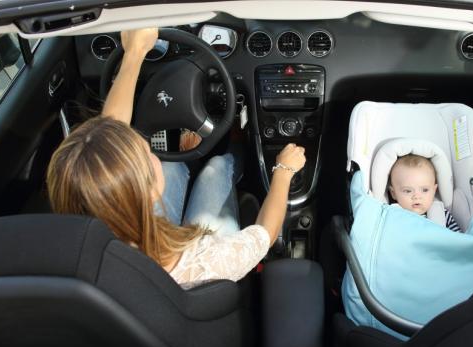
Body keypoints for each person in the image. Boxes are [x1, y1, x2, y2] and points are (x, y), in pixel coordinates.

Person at [46, 28, 306, 289]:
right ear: (146, 191)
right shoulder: (206, 260)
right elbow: (265, 235)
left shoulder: (79, 245)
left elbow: (111, 134)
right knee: (215, 168)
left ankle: (195, 155)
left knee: (172, 164)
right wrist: (284, 171)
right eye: (146, 153)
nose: (150, 150)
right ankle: (234, 142)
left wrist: (135, 53)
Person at [388, 154, 460, 231]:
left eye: (425, 190)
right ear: (393, 193)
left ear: (434, 191)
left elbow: (459, 240)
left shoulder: (442, 215)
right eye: (408, 191)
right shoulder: (391, 218)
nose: (417, 197)